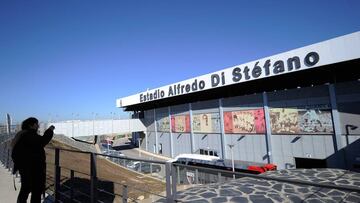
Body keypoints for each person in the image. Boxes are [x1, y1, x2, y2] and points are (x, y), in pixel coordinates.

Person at [11, 117, 55, 203]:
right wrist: (50, 130)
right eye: (36, 124)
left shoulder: (22, 134)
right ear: (31, 125)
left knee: (25, 189)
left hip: (25, 168)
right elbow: (42, 141)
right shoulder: (29, 135)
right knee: (36, 190)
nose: (38, 126)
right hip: (33, 169)